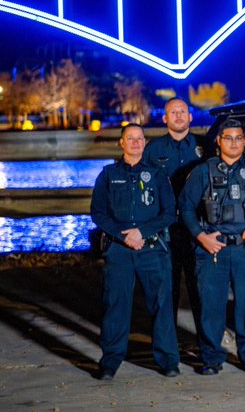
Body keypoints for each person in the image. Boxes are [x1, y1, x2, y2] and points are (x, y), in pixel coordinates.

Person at [181, 119, 245, 375]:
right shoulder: (203, 171)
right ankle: (212, 359)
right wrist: (200, 237)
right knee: (211, 306)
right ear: (218, 140)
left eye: (239, 138)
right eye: (228, 137)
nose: (234, 142)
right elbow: (185, 207)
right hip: (212, 250)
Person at [89, 124, 179, 380]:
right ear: (121, 143)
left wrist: (142, 232)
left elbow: (169, 213)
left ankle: (168, 361)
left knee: (162, 305)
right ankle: (110, 362)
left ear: (144, 142)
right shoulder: (108, 175)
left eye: (140, 138)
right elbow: (98, 213)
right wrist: (123, 235)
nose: (136, 143)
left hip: (152, 249)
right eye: (131, 138)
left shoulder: (157, 175)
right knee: (116, 306)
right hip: (119, 251)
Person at [140, 97, 203, 340]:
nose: (178, 116)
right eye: (172, 112)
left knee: (201, 289)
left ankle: (205, 345)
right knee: (167, 290)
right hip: (167, 230)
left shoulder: (204, 145)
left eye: (182, 111)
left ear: (190, 116)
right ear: (165, 118)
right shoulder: (153, 150)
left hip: (197, 229)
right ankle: (168, 345)